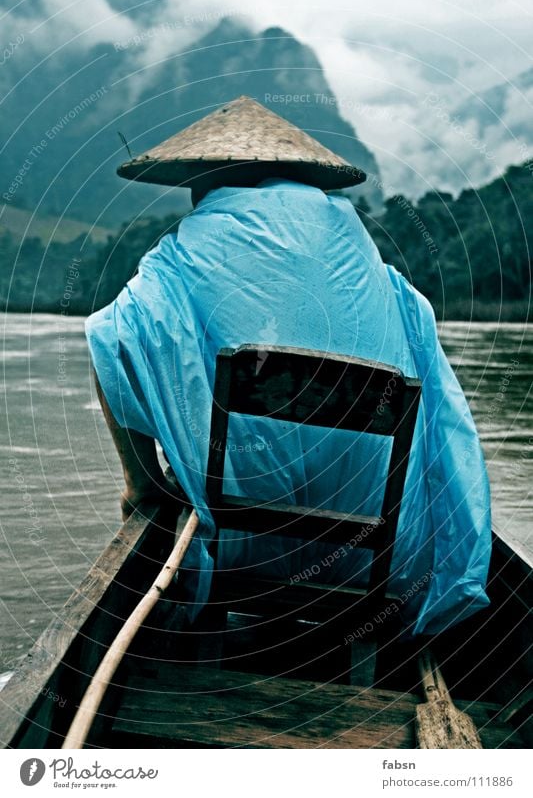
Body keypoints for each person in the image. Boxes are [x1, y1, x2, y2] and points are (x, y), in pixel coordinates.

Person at [86, 96, 491, 636]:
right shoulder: (372, 266)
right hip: (377, 550)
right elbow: (446, 412)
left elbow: (108, 341)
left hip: (241, 544)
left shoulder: (181, 257)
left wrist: (143, 485)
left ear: (210, 182)